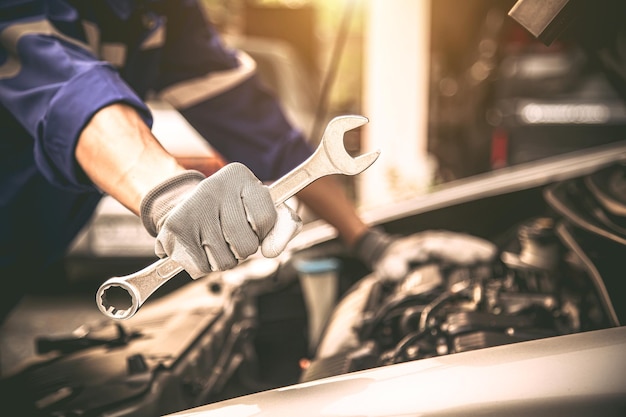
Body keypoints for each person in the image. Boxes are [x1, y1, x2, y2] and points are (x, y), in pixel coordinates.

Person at [0, 0, 496, 323]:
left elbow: (267, 136)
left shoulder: (160, 15)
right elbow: (70, 95)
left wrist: (369, 243)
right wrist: (171, 194)